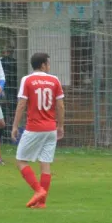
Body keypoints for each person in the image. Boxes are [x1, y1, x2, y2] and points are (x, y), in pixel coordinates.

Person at [11, 53, 65, 209]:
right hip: (50, 129)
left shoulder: (27, 80)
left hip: (34, 128)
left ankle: (38, 191)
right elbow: (60, 106)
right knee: (45, 164)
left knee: (21, 161)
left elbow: (22, 105)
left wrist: (15, 126)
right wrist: (60, 126)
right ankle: (41, 203)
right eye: (48, 63)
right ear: (43, 65)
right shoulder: (54, 80)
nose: (49, 66)